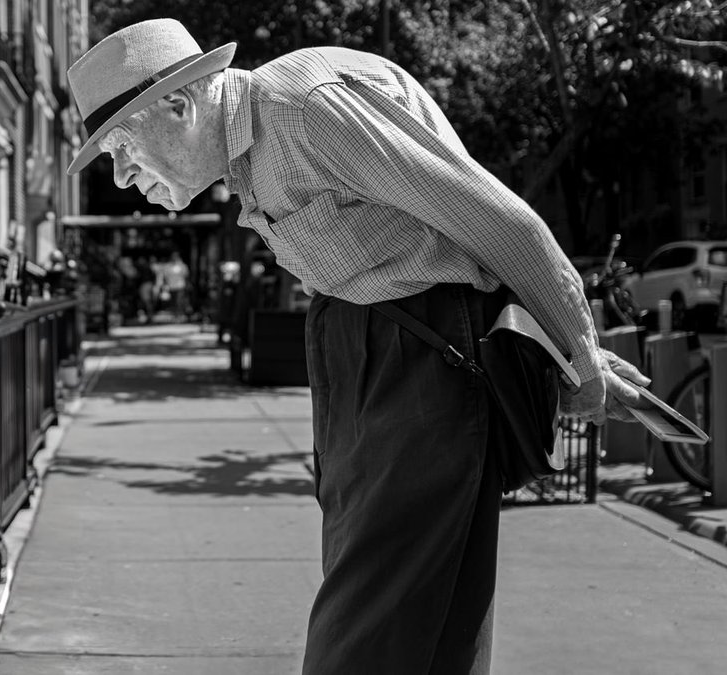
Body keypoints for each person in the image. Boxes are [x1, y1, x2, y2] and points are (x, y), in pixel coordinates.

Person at [65, 18, 650, 674]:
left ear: (177, 105)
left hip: (418, 366)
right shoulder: (255, 148)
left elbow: (498, 221)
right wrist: (580, 351)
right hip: (376, 364)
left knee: (368, 636)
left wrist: (580, 349)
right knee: (429, 633)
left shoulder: (304, 112)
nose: (119, 177)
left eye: (120, 147)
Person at [160, 251, 190, 320]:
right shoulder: (167, 266)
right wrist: (165, 286)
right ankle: (175, 315)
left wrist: (187, 284)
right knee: (173, 302)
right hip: (171, 286)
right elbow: (165, 277)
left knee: (179, 301)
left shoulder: (182, 266)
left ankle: (180, 315)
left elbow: (186, 276)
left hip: (180, 286)